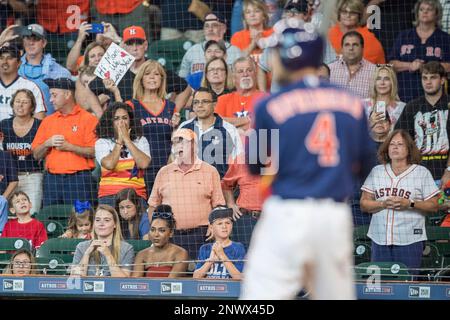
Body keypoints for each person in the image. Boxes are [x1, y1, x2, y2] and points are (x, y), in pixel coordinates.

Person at [240, 26, 375, 300]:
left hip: (288, 212)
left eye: (276, 54)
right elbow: (367, 164)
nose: (272, 60)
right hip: (333, 214)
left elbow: (254, 165)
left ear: (289, 58)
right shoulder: (353, 102)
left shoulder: (269, 105)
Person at [360, 129, 440, 274]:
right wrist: (382, 204)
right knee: (379, 288)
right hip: (379, 239)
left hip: (410, 240)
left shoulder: (421, 173)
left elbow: (434, 205)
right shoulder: (377, 171)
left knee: (406, 284)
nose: (395, 147)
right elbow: (364, 204)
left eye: (400, 144)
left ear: (409, 149)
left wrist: (410, 203)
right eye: (392, 144)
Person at [148, 128, 226, 260]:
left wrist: (214, 225)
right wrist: (156, 230)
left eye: (183, 142)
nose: (179, 146)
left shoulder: (210, 171)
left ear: (194, 146)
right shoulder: (164, 172)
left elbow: (219, 205)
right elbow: (152, 206)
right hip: (170, 236)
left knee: (200, 276)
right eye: (175, 143)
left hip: (202, 235)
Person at [31, 78, 99, 207]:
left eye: (54, 95)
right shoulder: (48, 121)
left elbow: (94, 151)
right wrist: (47, 144)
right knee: (51, 221)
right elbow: (36, 154)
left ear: (68, 95)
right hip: (52, 180)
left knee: (82, 219)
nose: (50, 100)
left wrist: (70, 147)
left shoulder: (88, 119)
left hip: (80, 180)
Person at [394, 61, 450, 184]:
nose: (428, 82)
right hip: (417, 176)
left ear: (442, 80)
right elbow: (400, 139)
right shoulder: (412, 107)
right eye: (424, 78)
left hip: (446, 174)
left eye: (433, 77)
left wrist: (449, 171)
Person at [126, 60, 176, 195]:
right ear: (141, 79)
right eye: (147, 74)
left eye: (157, 74)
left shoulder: (171, 106)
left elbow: (176, 139)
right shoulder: (131, 105)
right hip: (142, 169)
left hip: (167, 167)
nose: (152, 77)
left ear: (162, 79)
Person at [389, 0, 450, 103]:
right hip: (403, 96)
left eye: (429, 9)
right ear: (417, 13)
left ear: (437, 13)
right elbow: (391, 63)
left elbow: (449, 66)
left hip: (435, 98)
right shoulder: (404, 35)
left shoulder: (445, 38)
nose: (424, 12)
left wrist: (426, 67)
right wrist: (410, 65)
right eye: (421, 9)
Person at [95, 102, 151, 207]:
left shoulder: (141, 140)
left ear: (130, 121)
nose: (121, 122)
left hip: (135, 194)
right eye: (116, 118)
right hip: (109, 194)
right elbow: (109, 165)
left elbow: (144, 164)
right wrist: (120, 141)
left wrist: (127, 140)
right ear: (110, 122)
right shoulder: (102, 142)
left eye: (124, 118)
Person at [179, 87, 242, 178]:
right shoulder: (184, 127)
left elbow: (238, 163)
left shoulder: (229, 129)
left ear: (214, 105)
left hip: (219, 186)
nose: (200, 105)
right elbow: (174, 158)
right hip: (188, 185)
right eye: (196, 102)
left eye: (205, 101)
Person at [0, 89, 44, 214]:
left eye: (25, 102)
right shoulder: (4, 125)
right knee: (7, 214)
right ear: (12, 104)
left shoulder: (40, 125)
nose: (20, 105)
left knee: (31, 212)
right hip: (8, 179)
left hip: (32, 176)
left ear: (32, 107)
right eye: (17, 101)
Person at [18, 23, 72, 115]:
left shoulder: (59, 72)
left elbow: (66, 107)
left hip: (47, 124)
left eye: (35, 39)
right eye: (27, 38)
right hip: (15, 124)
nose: (31, 43)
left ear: (44, 43)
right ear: (23, 42)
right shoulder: (12, 66)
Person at [71, 204, 135, 277]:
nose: (101, 224)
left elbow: (123, 283)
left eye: (107, 220)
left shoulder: (127, 249)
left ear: (115, 224)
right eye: (98, 220)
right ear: (94, 223)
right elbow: (75, 280)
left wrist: (108, 255)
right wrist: (87, 254)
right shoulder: (82, 247)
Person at [178, 12, 242, 79]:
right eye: (207, 26)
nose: (210, 29)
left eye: (214, 25)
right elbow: (182, 79)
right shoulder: (193, 51)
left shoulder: (235, 52)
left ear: (224, 29)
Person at [132, 204, 189, 278]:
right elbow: (135, 283)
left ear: (171, 232)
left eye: (161, 230)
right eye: (152, 230)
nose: (156, 234)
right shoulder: (141, 255)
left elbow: (171, 283)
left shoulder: (180, 253)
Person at [193, 206, 245, 279]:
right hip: (208, 288)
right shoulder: (205, 248)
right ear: (211, 227)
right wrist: (211, 260)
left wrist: (222, 255)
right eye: (219, 223)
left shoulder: (238, 247)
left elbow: (239, 277)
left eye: (228, 223)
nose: (224, 226)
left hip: (230, 289)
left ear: (232, 225)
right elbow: (196, 277)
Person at [328, 0, 385, 64]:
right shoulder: (331, 32)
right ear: (339, 14)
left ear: (359, 16)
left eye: (352, 13)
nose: (348, 16)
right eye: (344, 12)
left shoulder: (368, 38)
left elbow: (366, 68)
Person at [215, 57, 265, 130]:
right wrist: (247, 120)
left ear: (255, 74)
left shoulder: (265, 98)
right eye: (240, 71)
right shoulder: (223, 100)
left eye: (249, 70)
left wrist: (230, 123)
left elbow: (264, 126)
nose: (245, 74)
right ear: (234, 77)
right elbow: (215, 123)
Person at [0, 43, 46, 122]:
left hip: (18, 133)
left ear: (19, 63)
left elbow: (39, 119)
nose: (5, 61)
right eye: (1, 58)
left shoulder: (30, 86)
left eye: (10, 58)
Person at [329, 30, 377, 99]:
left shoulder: (374, 71)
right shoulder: (330, 69)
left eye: (355, 45)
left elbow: (382, 99)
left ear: (362, 48)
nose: (351, 48)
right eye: (347, 45)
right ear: (342, 48)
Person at [230, 0, 274, 65]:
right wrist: (252, 44)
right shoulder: (237, 36)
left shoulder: (273, 33)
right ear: (244, 17)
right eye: (248, 12)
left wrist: (263, 43)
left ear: (264, 15)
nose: (252, 15)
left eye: (257, 11)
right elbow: (235, 62)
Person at [0, 149, 18, 234]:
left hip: (2, 202)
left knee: (2, 231)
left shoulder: (5, 155)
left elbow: (14, 181)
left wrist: (2, 199)